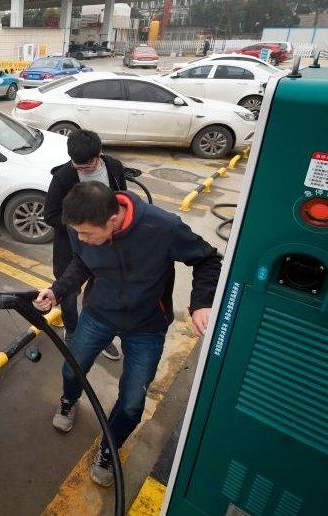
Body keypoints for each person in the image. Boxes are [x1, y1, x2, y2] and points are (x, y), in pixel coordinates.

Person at [35, 182, 222, 487]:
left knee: (133, 402)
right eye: (77, 233)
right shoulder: (81, 227)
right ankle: (69, 400)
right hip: (99, 313)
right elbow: (82, 261)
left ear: (113, 220)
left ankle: (110, 448)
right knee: (72, 368)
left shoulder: (163, 227)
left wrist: (202, 302)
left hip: (146, 324)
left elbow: (207, 258)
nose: (81, 239)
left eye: (87, 234)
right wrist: (57, 291)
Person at [45, 130, 127, 360]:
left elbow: (123, 200)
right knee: (68, 294)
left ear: (99, 153)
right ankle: (72, 330)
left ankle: (102, 337)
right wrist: (81, 225)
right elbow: (50, 215)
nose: (82, 170)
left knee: (102, 295)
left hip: (108, 248)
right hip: (71, 252)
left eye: (87, 166)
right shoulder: (63, 177)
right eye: (77, 166)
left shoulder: (113, 167)